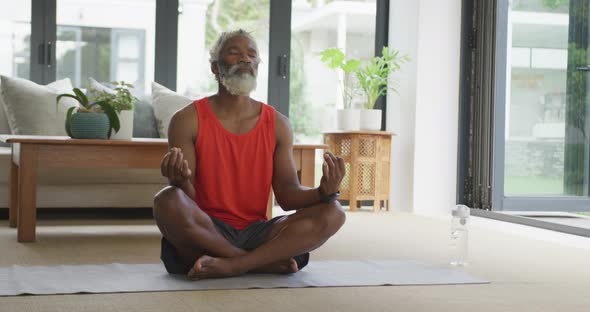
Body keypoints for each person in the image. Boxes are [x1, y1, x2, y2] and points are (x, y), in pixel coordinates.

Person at [152, 29, 346, 280]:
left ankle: (233, 264)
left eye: (252, 55)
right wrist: (178, 180)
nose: (245, 59)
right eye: (234, 53)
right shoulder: (186, 120)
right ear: (215, 67)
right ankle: (254, 262)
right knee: (166, 201)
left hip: (257, 231)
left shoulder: (278, 124)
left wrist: (324, 192)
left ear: (257, 66)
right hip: (208, 231)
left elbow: (287, 195)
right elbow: (186, 198)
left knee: (334, 212)